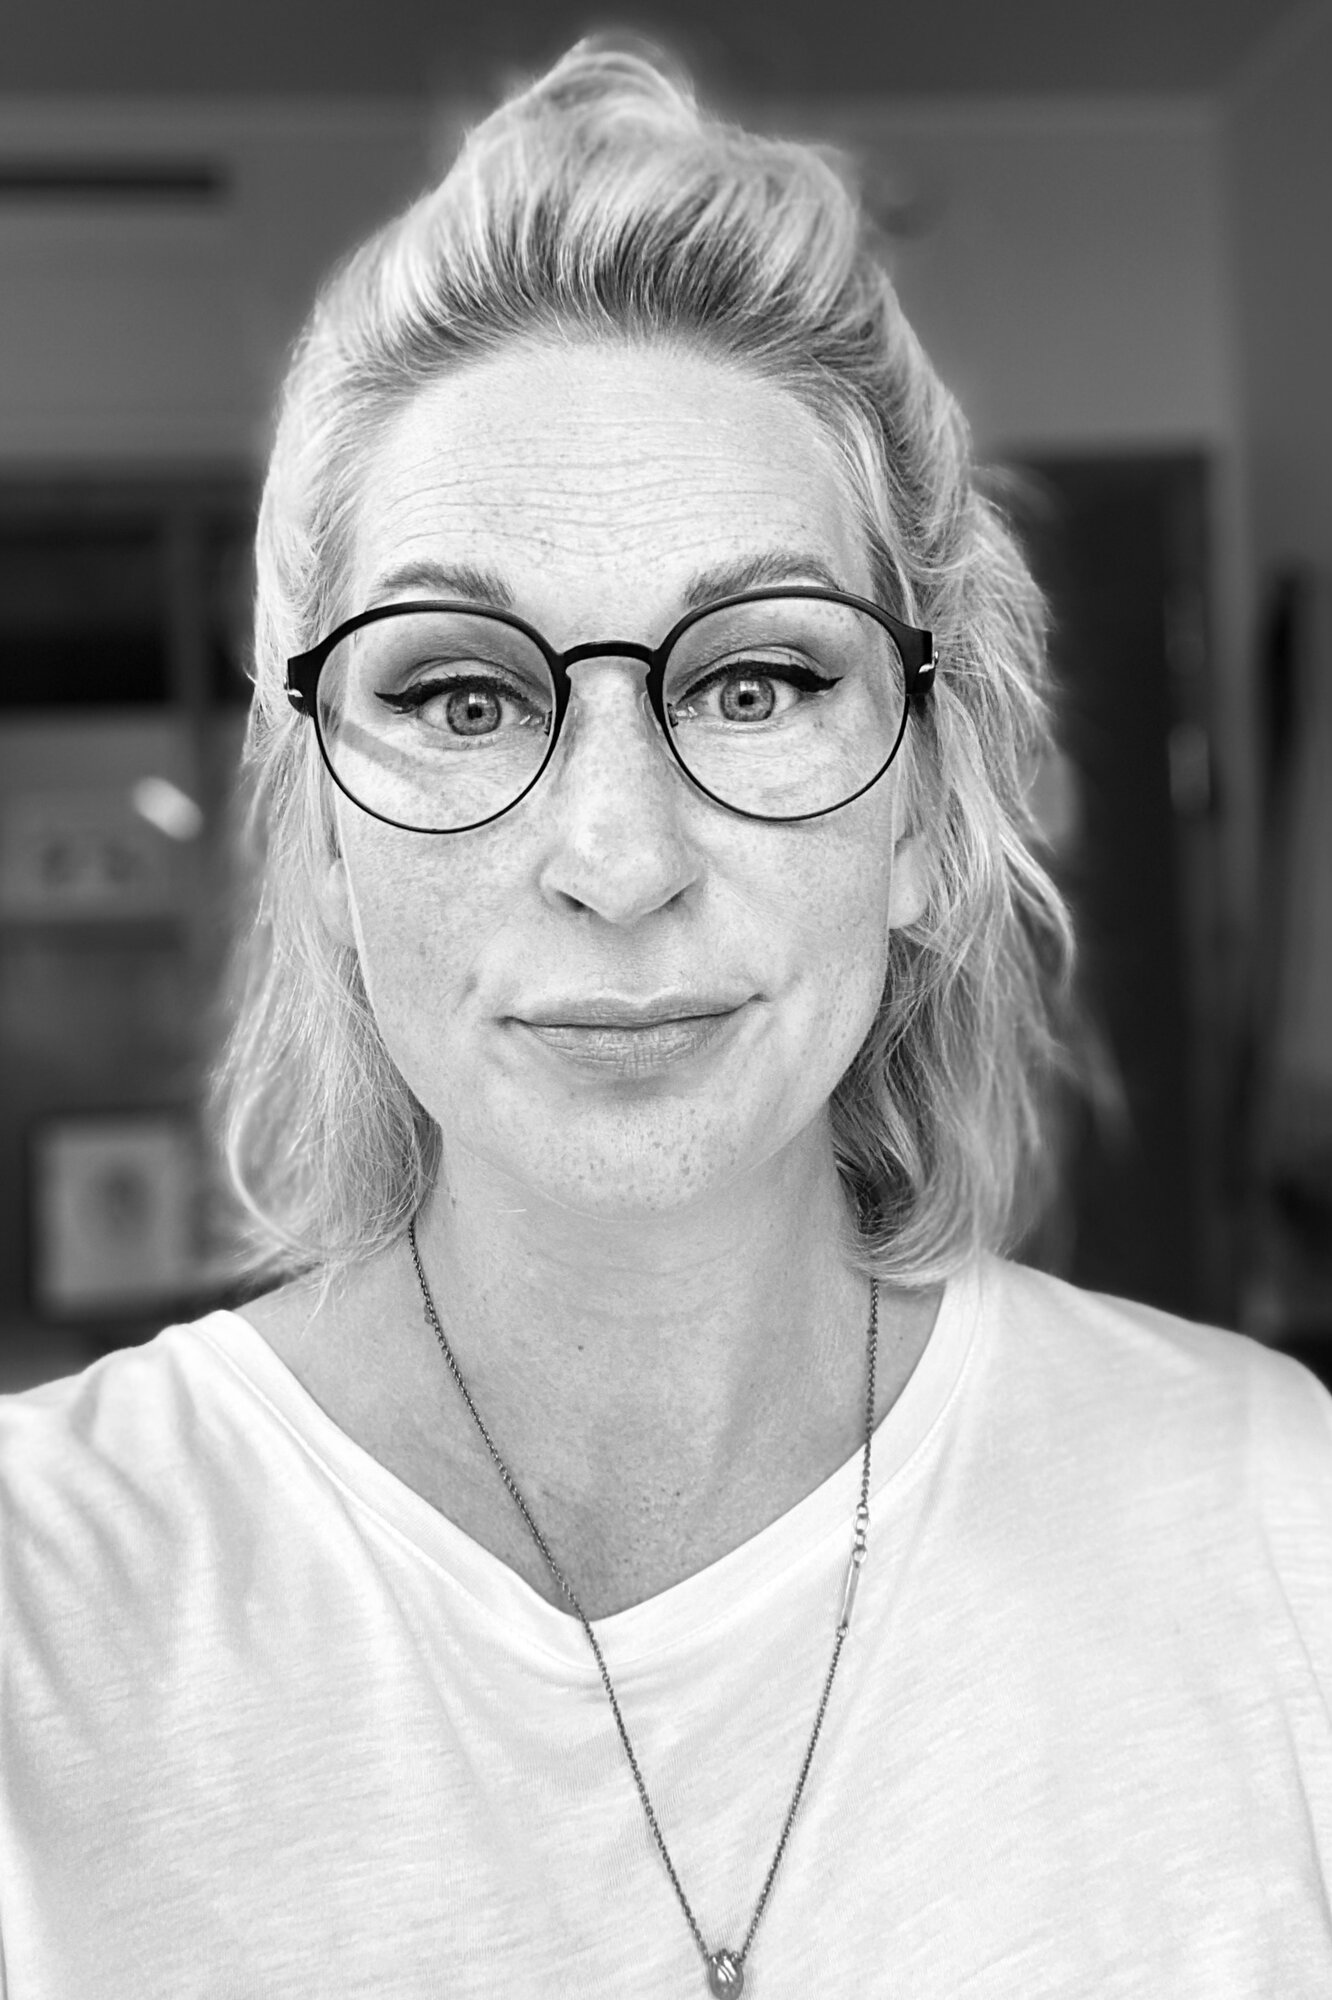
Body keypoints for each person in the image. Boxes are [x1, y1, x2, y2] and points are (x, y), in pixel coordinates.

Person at [1, 41, 1328, 2000]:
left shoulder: (1273, 1519)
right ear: (327, 843)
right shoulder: (41, 1613)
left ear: (921, 815)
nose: (618, 859)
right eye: (461, 696)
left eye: (757, 681)